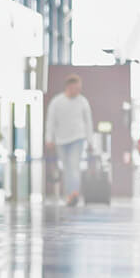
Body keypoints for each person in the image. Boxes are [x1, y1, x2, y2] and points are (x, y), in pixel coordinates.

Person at [45, 74, 93, 206]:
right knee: (66, 169)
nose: (78, 91)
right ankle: (69, 195)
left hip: (78, 138)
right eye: (75, 88)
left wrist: (90, 141)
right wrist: (49, 138)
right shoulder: (57, 102)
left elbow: (88, 122)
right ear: (68, 87)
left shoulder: (83, 101)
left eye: (79, 88)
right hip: (61, 140)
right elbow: (51, 121)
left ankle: (74, 194)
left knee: (74, 167)